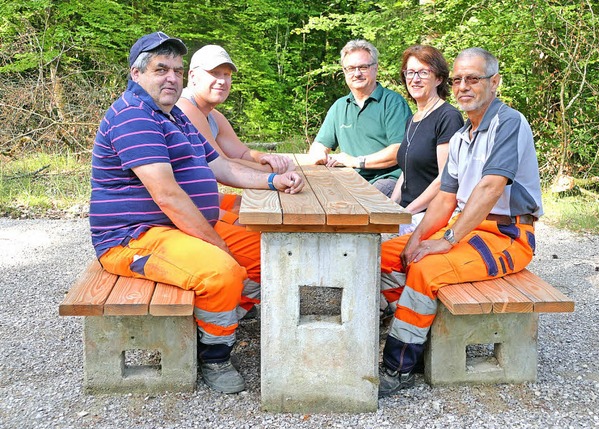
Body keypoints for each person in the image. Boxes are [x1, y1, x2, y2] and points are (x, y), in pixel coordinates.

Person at [89, 32, 304, 394]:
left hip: (171, 229)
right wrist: (217, 242)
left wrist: (273, 180)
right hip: (135, 237)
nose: (171, 77)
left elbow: (222, 166)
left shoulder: (174, 116)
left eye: (175, 69)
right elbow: (167, 196)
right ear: (136, 74)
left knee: (269, 249)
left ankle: (226, 313)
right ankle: (215, 355)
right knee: (222, 270)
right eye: (161, 69)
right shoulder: (134, 117)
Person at [377, 47, 543, 397]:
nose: (463, 86)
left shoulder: (508, 123)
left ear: (494, 82)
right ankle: (419, 331)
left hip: (507, 234)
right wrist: (417, 235)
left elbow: (490, 187)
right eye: (457, 80)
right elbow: (446, 198)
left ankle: (399, 364)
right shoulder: (461, 136)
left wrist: (446, 239)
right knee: (385, 255)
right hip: (465, 227)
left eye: (473, 78)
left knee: (426, 269)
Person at [176, 44, 294, 221]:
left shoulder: (213, 115)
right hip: (182, 207)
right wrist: (275, 174)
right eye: (215, 73)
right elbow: (223, 164)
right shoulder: (185, 108)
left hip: (201, 198)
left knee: (248, 206)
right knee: (255, 228)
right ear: (193, 76)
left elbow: (243, 153)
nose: (222, 81)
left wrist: (265, 157)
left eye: (227, 75)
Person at [308, 40, 412, 197]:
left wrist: (357, 161)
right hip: (348, 179)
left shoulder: (392, 102)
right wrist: (319, 154)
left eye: (363, 67)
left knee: (359, 200)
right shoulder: (340, 106)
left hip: (387, 179)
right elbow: (320, 144)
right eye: (350, 68)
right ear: (344, 71)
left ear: (375, 68)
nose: (356, 73)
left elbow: (398, 151)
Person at [390, 45, 464, 236]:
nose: (415, 79)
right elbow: (406, 171)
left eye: (423, 72)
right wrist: (390, 206)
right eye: (410, 72)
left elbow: (445, 178)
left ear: (439, 78)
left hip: (429, 216)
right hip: (410, 213)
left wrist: (407, 213)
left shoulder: (448, 117)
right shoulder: (413, 119)